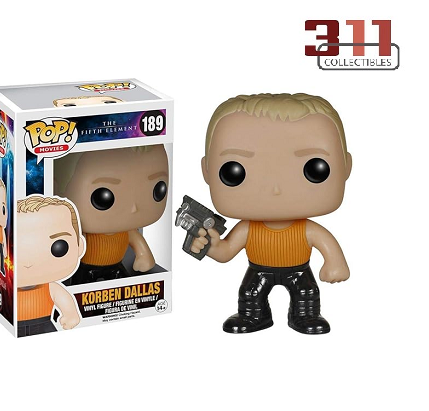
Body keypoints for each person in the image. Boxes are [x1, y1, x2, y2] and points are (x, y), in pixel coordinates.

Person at [190, 93, 352, 335]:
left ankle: (305, 315)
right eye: (234, 171)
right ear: (206, 171)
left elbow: (328, 246)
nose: (276, 189)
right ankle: (255, 316)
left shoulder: (307, 230)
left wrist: (335, 263)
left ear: (346, 167)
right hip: (258, 270)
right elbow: (225, 252)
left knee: (306, 294)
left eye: (315, 169)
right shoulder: (247, 229)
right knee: (250, 295)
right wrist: (209, 245)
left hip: (299, 270)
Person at [55, 145, 169, 284]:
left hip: (117, 267)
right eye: (103, 197)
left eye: (158, 190)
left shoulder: (128, 231)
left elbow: (138, 243)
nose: (133, 208)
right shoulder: (80, 234)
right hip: (86, 269)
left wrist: (144, 256)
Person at [17, 196, 85, 337]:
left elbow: (64, 300)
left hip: (44, 326)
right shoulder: (7, 287)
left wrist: (71, 315)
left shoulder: (51, 288)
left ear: (79, 246)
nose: (28, 263)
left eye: (59, 247)